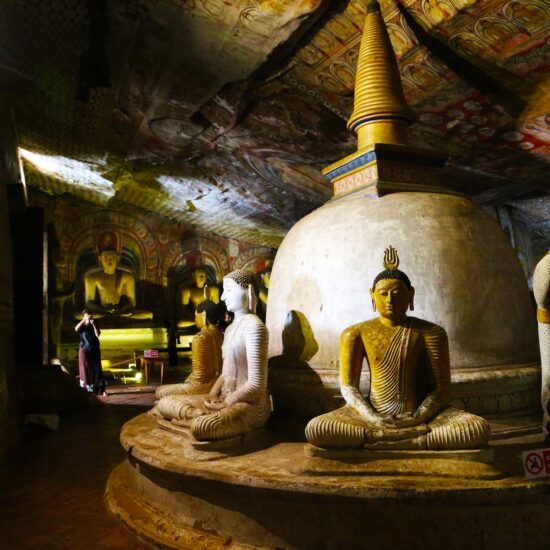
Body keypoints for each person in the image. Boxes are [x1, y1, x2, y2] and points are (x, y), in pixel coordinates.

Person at [305, 246, 490, 450]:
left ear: (410, 294)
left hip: (419, 416)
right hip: (370, 416)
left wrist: (417, 417)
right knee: (317, 428)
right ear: (372, 295)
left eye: (396, 292)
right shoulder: (355, 333)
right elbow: (349, 388)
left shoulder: (429, 332)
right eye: (383, 293)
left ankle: (388, 439)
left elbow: (442, 390)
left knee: (476, 428)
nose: (390, 300)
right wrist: (373, 417)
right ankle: (410, 440)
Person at [156, 269, 271, 442]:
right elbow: (226, 374)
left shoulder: (255, 327)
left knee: (202, 427)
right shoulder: (231, 328)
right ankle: (194, 414)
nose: (223, 297)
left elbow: (257, 385)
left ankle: (193, 420)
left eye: (229, 290)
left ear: (248, 291)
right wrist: (212, 394)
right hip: (224, 398)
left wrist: (228, 402)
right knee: (165, 401)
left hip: (248, 405)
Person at [156, 300, 224, 399]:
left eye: (197, 315)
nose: (195, 319)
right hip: (218, 384)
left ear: (204, 315)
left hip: (201, 387)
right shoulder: (222, 335)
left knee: (160, 391)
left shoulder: (200, 338)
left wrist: (186, 385)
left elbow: (199, 377)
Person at [82, 229, 152, 320]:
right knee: (81, 316)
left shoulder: (127, 276)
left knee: (147, 315)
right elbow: (88, 303)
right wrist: (104, 311)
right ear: (100, 259)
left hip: (122, 312)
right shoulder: (91, 278)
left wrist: (121, 310)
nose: (109, 260)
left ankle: (117, 316)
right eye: (106, 257)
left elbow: (132, 302)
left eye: (112, 257)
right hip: (100, 313)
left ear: (118, 258)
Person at [75, 309, 106, 395]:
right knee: (85, 369)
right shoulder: (82, 325)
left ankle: (100, 390)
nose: (89, 316)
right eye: (86, 315)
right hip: (84, 349)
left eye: (89, 315)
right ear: (84, 316)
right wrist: (83, 320)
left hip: (94, 349)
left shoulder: (95, 323)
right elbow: (76, 329)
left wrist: (93, 325)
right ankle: (87, 389)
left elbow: (97, 334)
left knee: (97, 368)